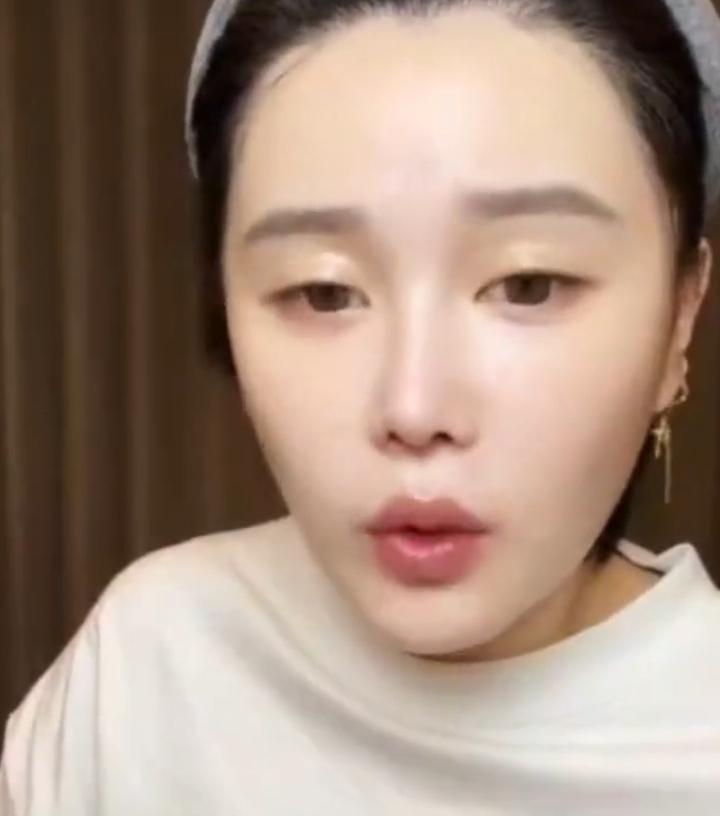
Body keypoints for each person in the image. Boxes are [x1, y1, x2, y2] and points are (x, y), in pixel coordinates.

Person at [2, 0, 720, 813]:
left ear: (680, 316)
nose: (413, 408)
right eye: (325, 292)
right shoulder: (150, 667)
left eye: (528, 284)